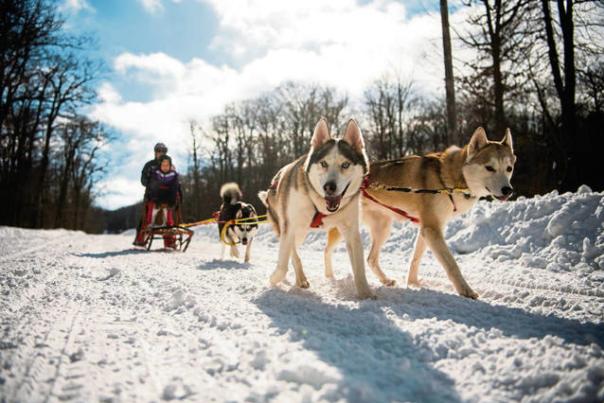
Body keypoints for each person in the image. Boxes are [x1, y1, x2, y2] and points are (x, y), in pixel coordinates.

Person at [133, 142, 169, 246]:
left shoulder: (169, 164)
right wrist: (152, 182)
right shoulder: (149, 165)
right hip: (151, 194)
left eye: (163, 151)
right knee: (145, 216)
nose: (161, 153)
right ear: (155, 152)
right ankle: (140, 238)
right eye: (158, 150)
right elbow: (143, 180)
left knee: (171, 212)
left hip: (166, 195)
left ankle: (169, 240)